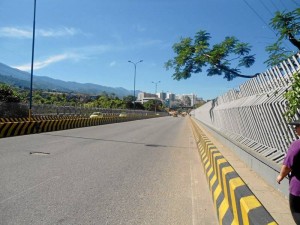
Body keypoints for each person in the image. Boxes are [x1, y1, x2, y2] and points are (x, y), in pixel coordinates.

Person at [277, 119, 300, 224]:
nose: (295, 129)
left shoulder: (296, 145)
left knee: (297, 212)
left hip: (298, 189)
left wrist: (280, 176)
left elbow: (287, 166)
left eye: (297, 126)